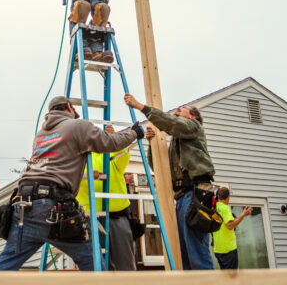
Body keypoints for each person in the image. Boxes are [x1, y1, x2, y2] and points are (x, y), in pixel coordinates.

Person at [0, 96, 144, 271]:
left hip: (23, 206)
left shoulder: (41, 135)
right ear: (70, 107)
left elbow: (53, 165)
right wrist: (133, 133)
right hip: (53, 209)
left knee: (4, 266)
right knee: (94, 265)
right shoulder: (78, 126)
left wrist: (83, 174)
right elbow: (110, 142)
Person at [123, 93, 216, 270]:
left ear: (193, 117)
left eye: (183, 109)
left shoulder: (194, 127)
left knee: (197, 251)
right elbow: (160, 168)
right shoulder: (177, 142)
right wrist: (152, 144)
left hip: (197, 193)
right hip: (182, 198)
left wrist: (141, 107)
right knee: (184, 254)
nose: (178, 110)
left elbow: (173, 124)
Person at [76, 125, 137, 270]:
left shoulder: (110, 155)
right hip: (89, 218)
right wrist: (87, 175)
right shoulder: (78, 158)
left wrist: (115, 138)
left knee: (125, 264)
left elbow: (123, 156)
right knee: (96, 266)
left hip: (117, 216)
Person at [213, 187, 251, 270]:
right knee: (232, 278)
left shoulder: (216, 207)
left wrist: (242, 215)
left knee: (225, 278)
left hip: (218, 249)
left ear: (218, 196)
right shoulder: (225, 208)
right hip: (228, 249)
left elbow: (227, 223)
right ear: (228, 197)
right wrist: (243, 215)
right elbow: (230, 226)